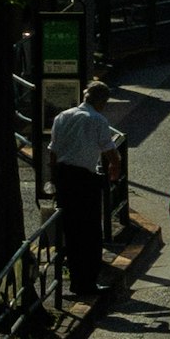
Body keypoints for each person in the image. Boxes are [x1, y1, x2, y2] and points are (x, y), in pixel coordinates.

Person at [49, 81, 127, 296]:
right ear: (102, 102)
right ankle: (88, 283)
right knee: (91, 233)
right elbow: (112, 153)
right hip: (84, 180)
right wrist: (114, 170)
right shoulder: (97, 120)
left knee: (71, 232)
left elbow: (53, 153)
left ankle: (75, 281)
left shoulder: (62, 117)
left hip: (64, 178)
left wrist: (55, 181)